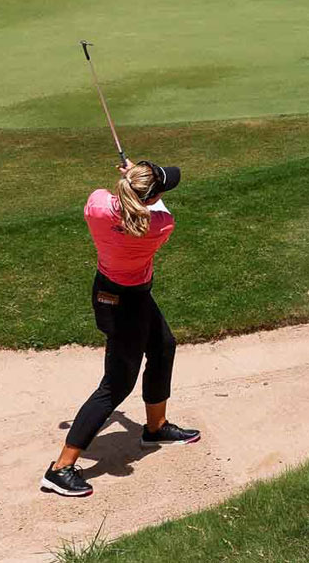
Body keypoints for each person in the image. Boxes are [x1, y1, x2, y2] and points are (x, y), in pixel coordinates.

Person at [41, 159, 200, 497]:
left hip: (113, 293)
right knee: (115, 385)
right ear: (152, 197)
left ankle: (155, 428)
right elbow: (154, 205)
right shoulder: (161, 225)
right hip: (128, 306)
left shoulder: (97, 207)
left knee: (162, 346)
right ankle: (60, 469)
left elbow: (121, 198)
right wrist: (138, 178)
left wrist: (133, 177)